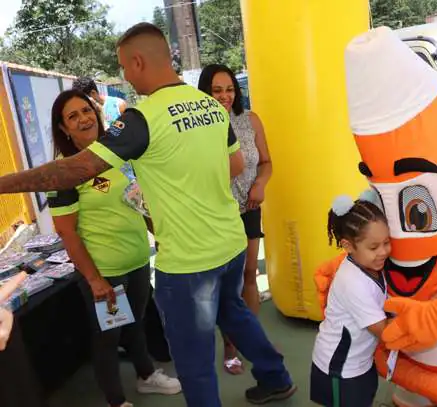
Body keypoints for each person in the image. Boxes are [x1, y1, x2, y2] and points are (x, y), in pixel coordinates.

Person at [0, 23, 296, 407]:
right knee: (234, 312)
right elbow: (236, 165)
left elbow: (75, 170)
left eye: (124, 67)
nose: (124, 76)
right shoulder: (209, 105)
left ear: (138, 61)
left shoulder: (142, 118)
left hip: (189, 262)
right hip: (229, 242)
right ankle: (276, 377)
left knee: (193, 359)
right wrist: (185, 181)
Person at [46, 89, 181, 407]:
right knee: (109, 337)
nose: (83, 119)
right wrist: (94, 280)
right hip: (106, 272)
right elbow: (66, 232)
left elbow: (137, 199)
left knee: (136, 325)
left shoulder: (115, 154)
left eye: (86, 110)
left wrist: (156, 232)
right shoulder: (63, 172)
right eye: (72, 116)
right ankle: (116, 400)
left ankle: (146, 376)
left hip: (136, 260)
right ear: (63, 129)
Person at [198, 64, 273, 375]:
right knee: (222, 285)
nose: (225, 96)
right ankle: (229, 346)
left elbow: (267, 163)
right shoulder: (199, 126)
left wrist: (260, 184)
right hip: (216, 214)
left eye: (229, 89)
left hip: (249, 208)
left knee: (249, 274)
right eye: (217, 90)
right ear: (205, 92)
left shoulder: (250, 119)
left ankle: (251, 342)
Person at [311, 195, 391, 407]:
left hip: (361, 362)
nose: (383, 252)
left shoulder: (373, 265)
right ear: (348, 246)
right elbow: (384, 330)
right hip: (340, 370)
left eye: (387, 242)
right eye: (374, 247)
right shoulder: (352, 282)